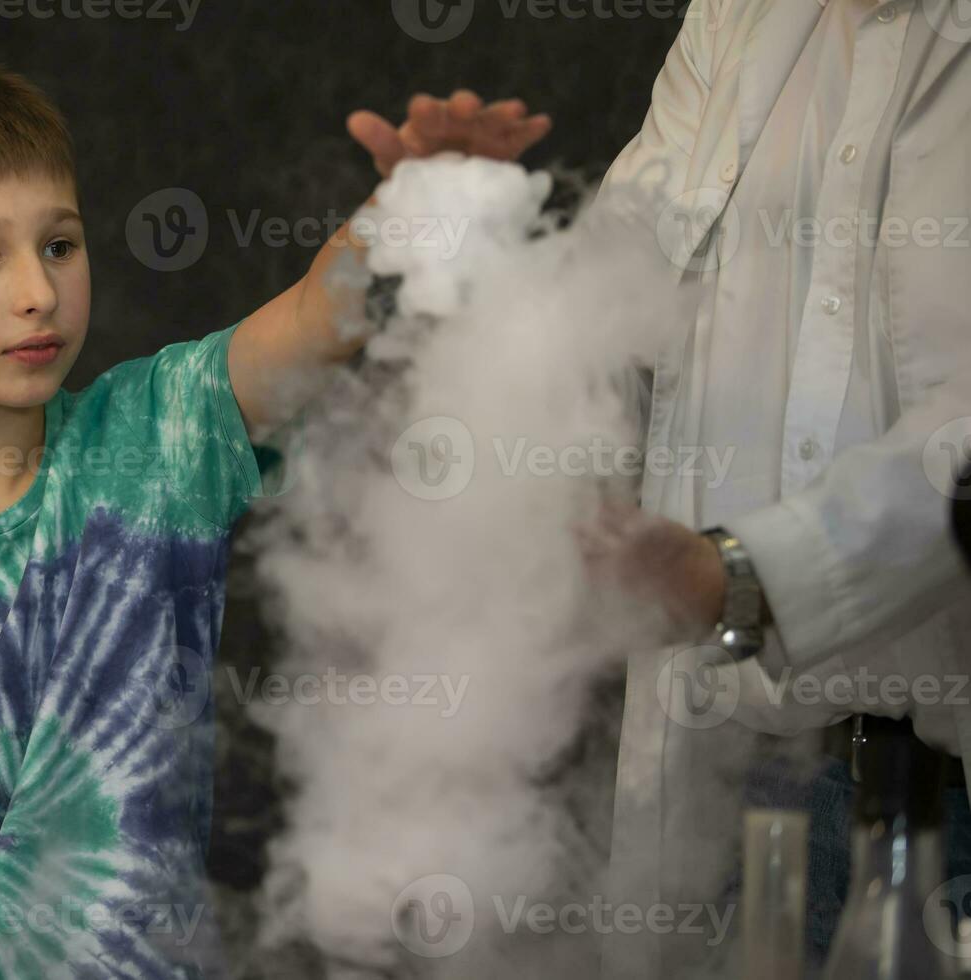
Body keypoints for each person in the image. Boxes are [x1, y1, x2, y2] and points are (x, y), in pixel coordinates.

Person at [0, 54, 551, 979]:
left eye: (59, 244)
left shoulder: (161, 438)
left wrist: (419, 200)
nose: (38, 290)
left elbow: (314, 319)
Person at [360, 0, 970, 976]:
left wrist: (745, 575)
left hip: (946, 809)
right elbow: (617, 292)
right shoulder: (734, 19)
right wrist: (472, 239)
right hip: (734, 778)